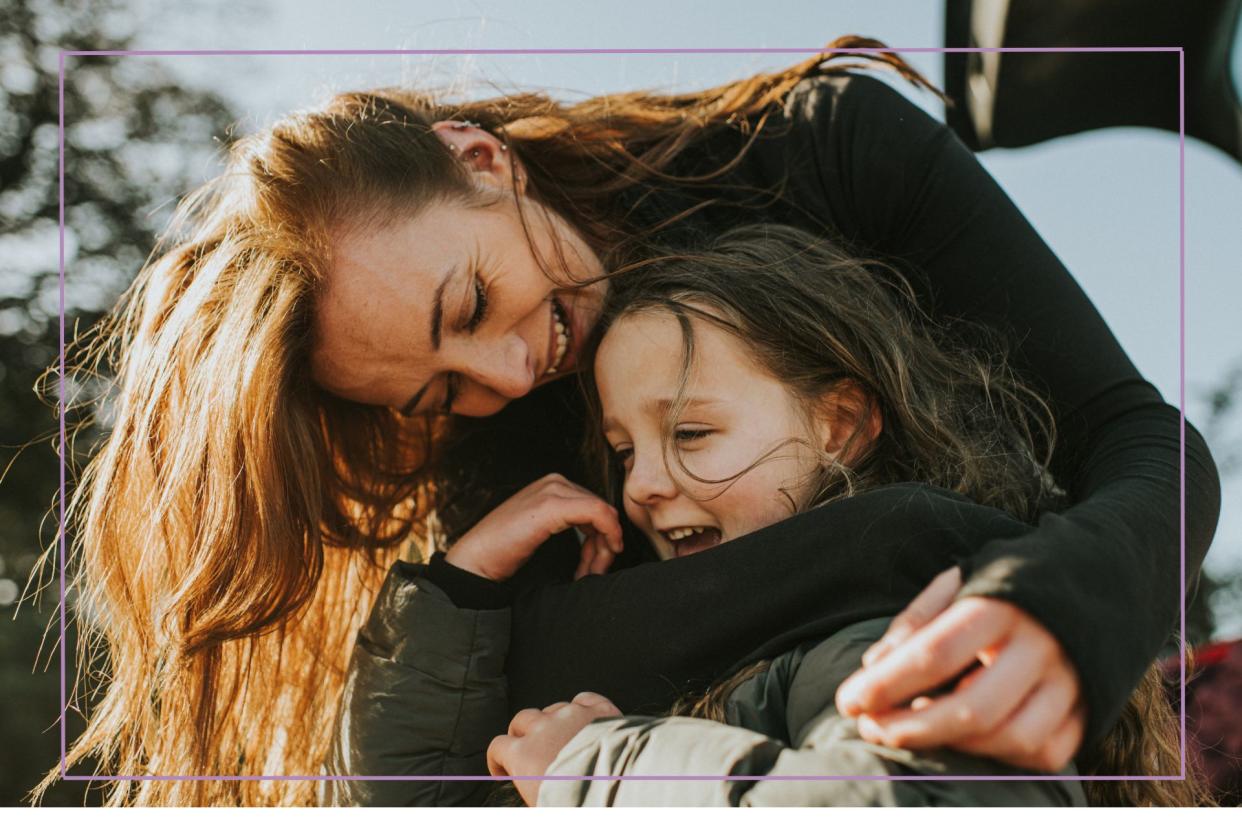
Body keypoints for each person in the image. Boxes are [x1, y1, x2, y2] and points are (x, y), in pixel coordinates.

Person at [46, 38, 1219, 806]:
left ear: (480, 159)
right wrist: (917, 540)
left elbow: (1139, 443)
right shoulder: (498, 430)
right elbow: (519, 701)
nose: (507, 376)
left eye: (474, 302)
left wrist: (1061, 602)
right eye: (436, 394)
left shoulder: (822, 148)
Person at [477, 224, 1198, 806]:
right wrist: (454, 593)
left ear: (842, 427)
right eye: (624, 451)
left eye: (691, 434)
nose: (642, 486)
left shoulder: (890, 634)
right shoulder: (748, 653)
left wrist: (595, 769)